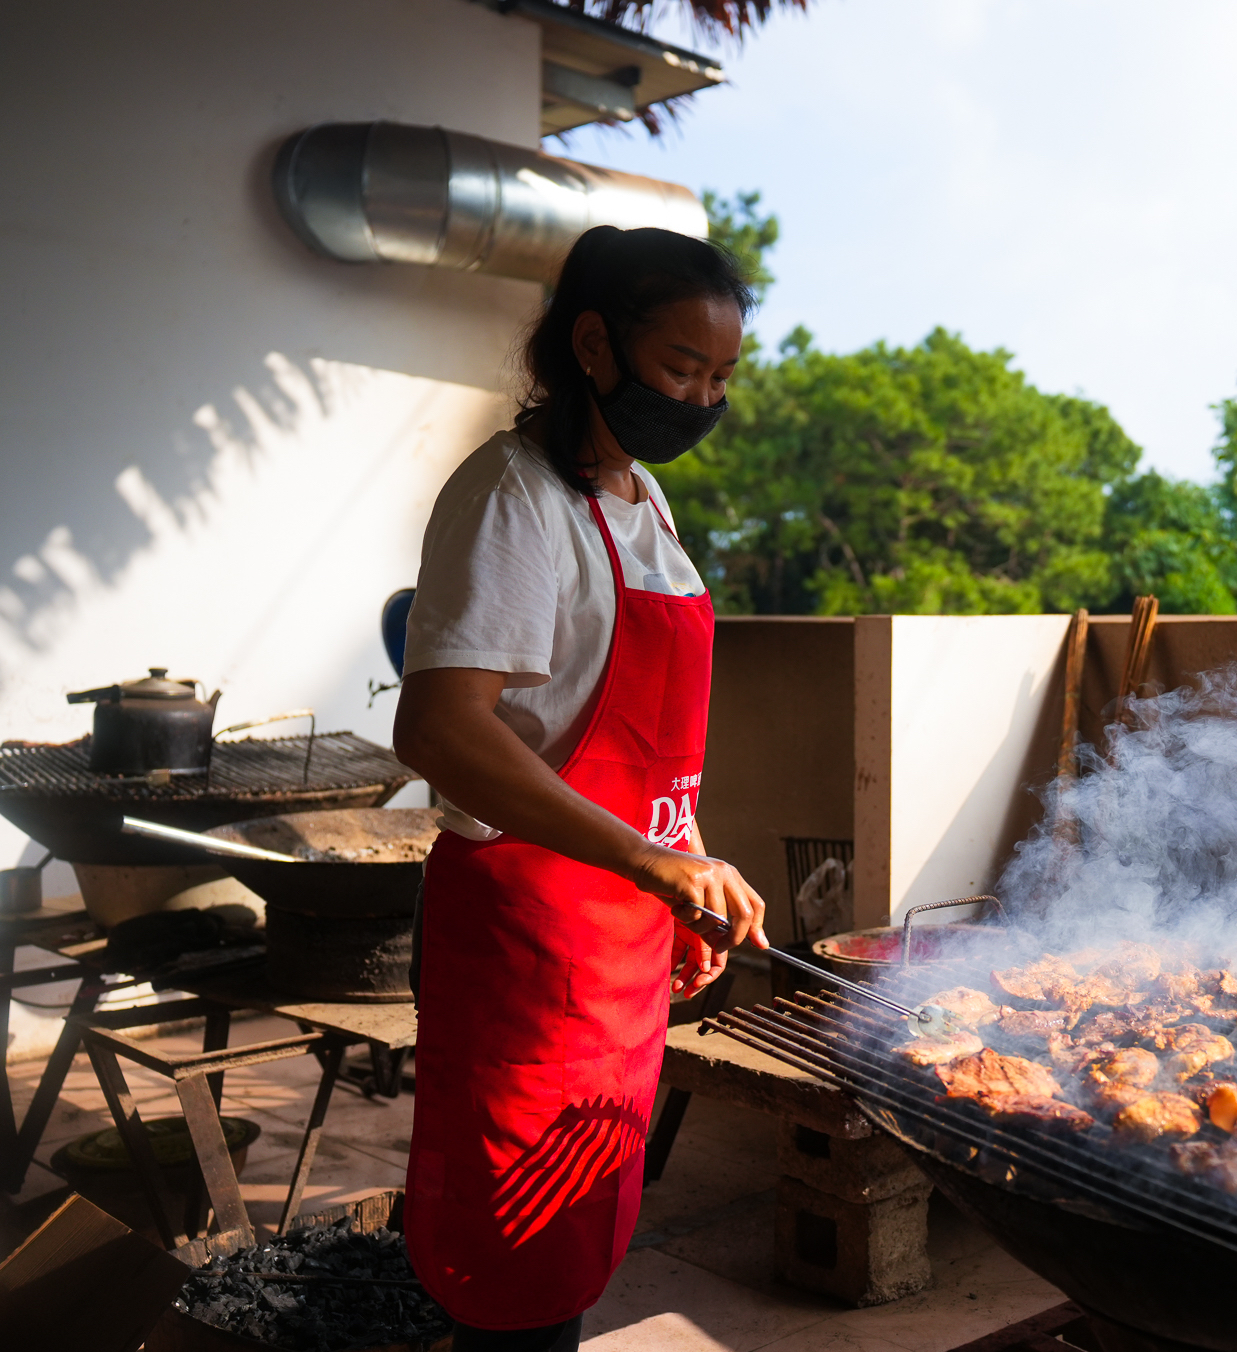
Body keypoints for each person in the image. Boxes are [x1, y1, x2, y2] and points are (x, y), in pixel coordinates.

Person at [392, 225, 769, 1351]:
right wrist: (649, 859)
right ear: (594, 344)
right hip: (525, 939)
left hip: (619, 942)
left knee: (578, 1231)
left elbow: (641, 749)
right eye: (680, 368)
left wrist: (680, 863)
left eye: (721, 378)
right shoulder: (513, 496)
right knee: (512, 1267)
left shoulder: (643, 502)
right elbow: (440, 727)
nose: (703, 396)